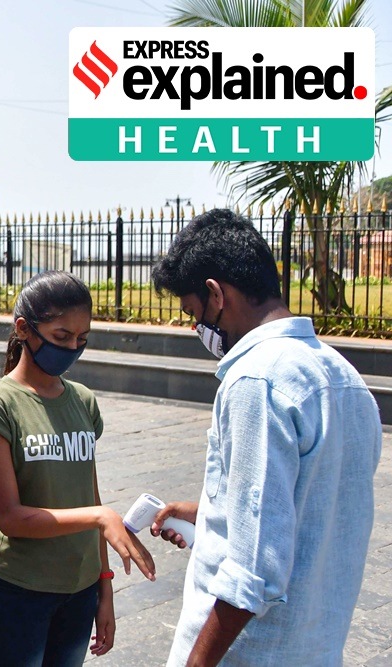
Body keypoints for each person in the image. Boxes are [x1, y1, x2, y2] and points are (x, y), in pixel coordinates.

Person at [149, 209, 382, 667]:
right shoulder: (345, 377)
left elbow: (253, 569)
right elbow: (307, 500)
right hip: (314, 647)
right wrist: (207, 512)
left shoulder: (256, 380)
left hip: (252, 655)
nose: (198, 329)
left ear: (216, 294)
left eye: (194, 313)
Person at [0, 271, 155, 666]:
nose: (72, 348)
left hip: (81, 589)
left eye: (81, 339)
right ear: (24, 329)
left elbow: (90, 495)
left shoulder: (83, 401)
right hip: (22, 591)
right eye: (61, 337)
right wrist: (99, 517)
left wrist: (104, 590)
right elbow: (11, 518)